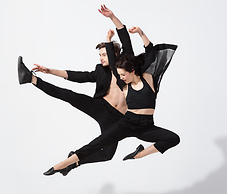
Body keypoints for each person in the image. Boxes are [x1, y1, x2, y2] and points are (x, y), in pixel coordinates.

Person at [43, 5, 180, 176]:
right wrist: (108, 41)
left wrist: (133, 29)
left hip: (145, 125)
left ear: (131, 71)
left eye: (123, 74)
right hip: (126, 121)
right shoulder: (123, 83)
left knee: (173, 138)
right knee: (96, 143)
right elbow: (83, 75)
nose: (120, 77)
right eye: (119, 74)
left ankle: (139, 154)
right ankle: (62, 165)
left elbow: (147, 52)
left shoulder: (148, 78)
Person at [18, 7, 142, 176]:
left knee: (107, 154)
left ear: (114, 53)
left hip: (117, 119)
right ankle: (31, 79)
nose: (101, 58)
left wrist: (112, 17)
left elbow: (125, 38)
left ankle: (71, 164)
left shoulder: (128, 65)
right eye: (100, 56)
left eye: (104, 54)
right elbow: (78, 76)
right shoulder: (101, 71)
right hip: (100, 107)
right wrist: (50, 70)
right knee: (68, 95)